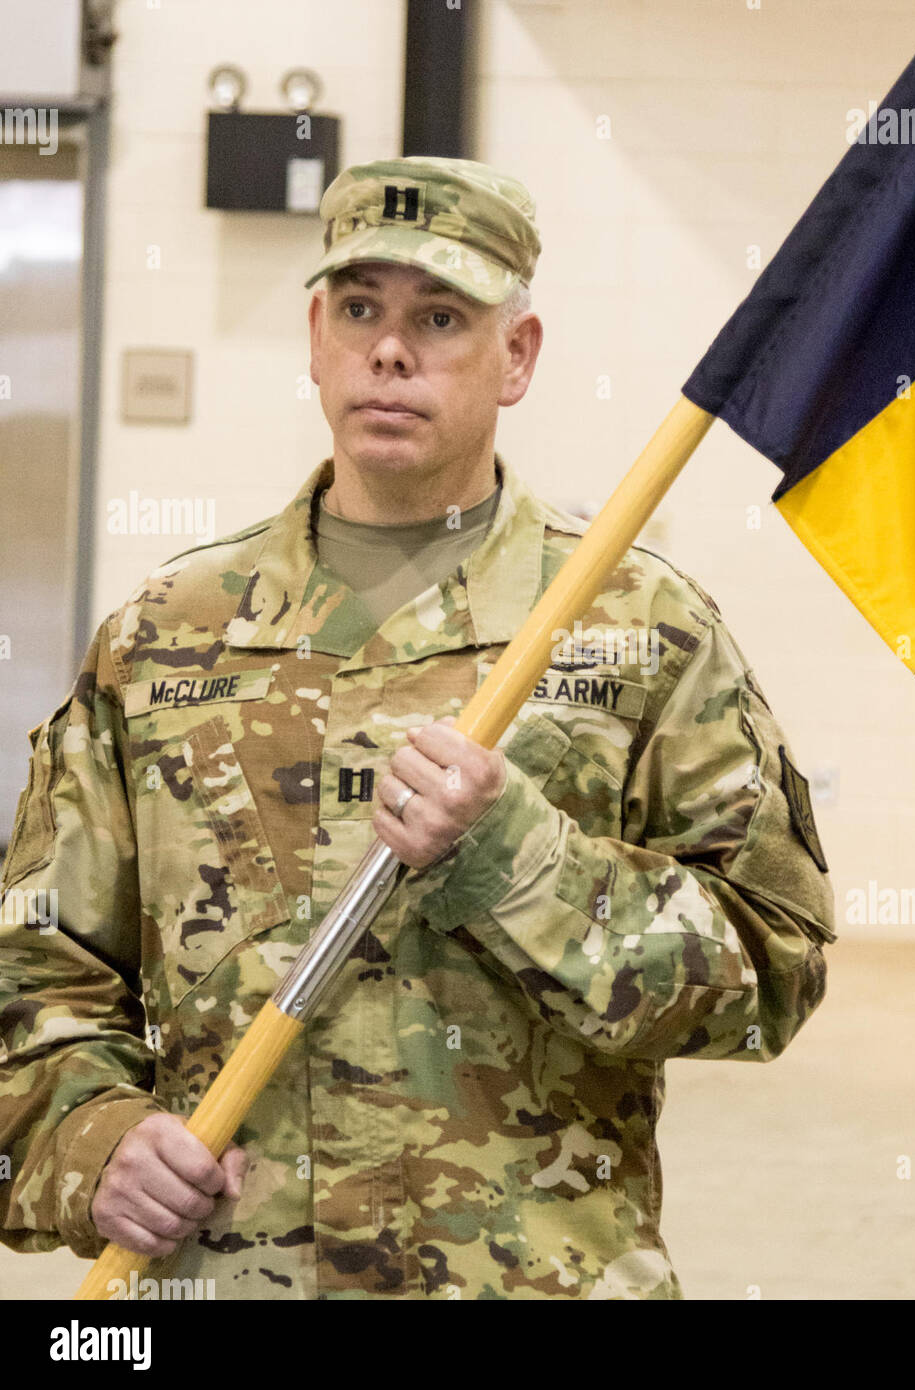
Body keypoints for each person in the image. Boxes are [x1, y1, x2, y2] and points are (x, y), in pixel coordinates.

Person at [0, 156, 835, 1300]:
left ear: (518, 356)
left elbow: (769, 974)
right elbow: (39, 966)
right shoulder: (165, 635)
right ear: (315, 337)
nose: (391, 351)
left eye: (441, 316)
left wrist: (519, 860)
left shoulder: (638, 626)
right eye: (360, 310)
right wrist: (94, 1140)